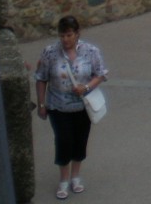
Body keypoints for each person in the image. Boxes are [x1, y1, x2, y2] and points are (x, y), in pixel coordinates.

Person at [34, 15, 108, 200]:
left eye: (68, 35)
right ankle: (64, 180)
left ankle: (75, 177)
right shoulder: (50, 53)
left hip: (83, 107)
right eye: (62, 35)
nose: (65, 39)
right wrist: (41, 104)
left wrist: (87, 87)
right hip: (58, 107)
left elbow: (100, 74)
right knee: (64, 140)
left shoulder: (91, 51)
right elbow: (41, 78)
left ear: (77, 34)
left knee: (80, 141)